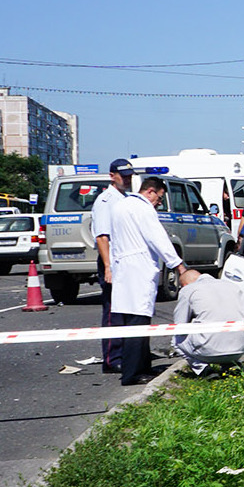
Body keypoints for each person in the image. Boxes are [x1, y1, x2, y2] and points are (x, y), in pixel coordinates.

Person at [108, 176, 186, 385]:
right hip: (139, 270)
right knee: (139, 323)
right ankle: (133, 373)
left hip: (124, 269)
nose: (159, 203)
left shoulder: (120, 206)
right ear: (150, 191)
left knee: (130, 322)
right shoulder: (143, 209)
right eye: (159, 198)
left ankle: (140, 367)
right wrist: (178, 265)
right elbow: (157, 238)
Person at [91, 159, 133, 373]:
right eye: (122, 175)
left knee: (125, 310)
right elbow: (102, 237)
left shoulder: (124, 198)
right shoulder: (106, 201)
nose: (127, 179)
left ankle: (124, 353)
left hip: (124, 260)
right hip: (112, 260)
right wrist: (108, 267)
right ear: (111, 176)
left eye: (129, 175)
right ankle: (112, 358)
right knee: (112, 312)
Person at [171, 267, 244, 376]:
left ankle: (203, 369)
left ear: (184, 284)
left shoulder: (188, 290)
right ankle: (231, 365)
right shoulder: (233, 286)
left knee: (175, 340)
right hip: (239, 350)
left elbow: (179, 326)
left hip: (208, 352)